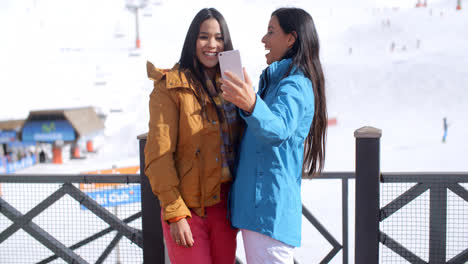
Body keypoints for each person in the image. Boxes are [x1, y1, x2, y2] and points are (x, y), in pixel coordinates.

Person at [221, 7, 327, 263]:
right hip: (260, 210)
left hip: (267, 211)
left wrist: (250, 104)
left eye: (271, 31)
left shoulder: (295, 85)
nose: (264, 39)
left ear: (291, 38)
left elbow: (278, 129)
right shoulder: (276, 83)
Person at [144, 8, 241, 264]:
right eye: (204, 37)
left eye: (219, 38)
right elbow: (159, 156)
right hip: (188, 207)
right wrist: (175, 213)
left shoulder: (232, 85)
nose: (212, 45)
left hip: (225, 206)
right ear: (192, 41)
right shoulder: (170, 88)